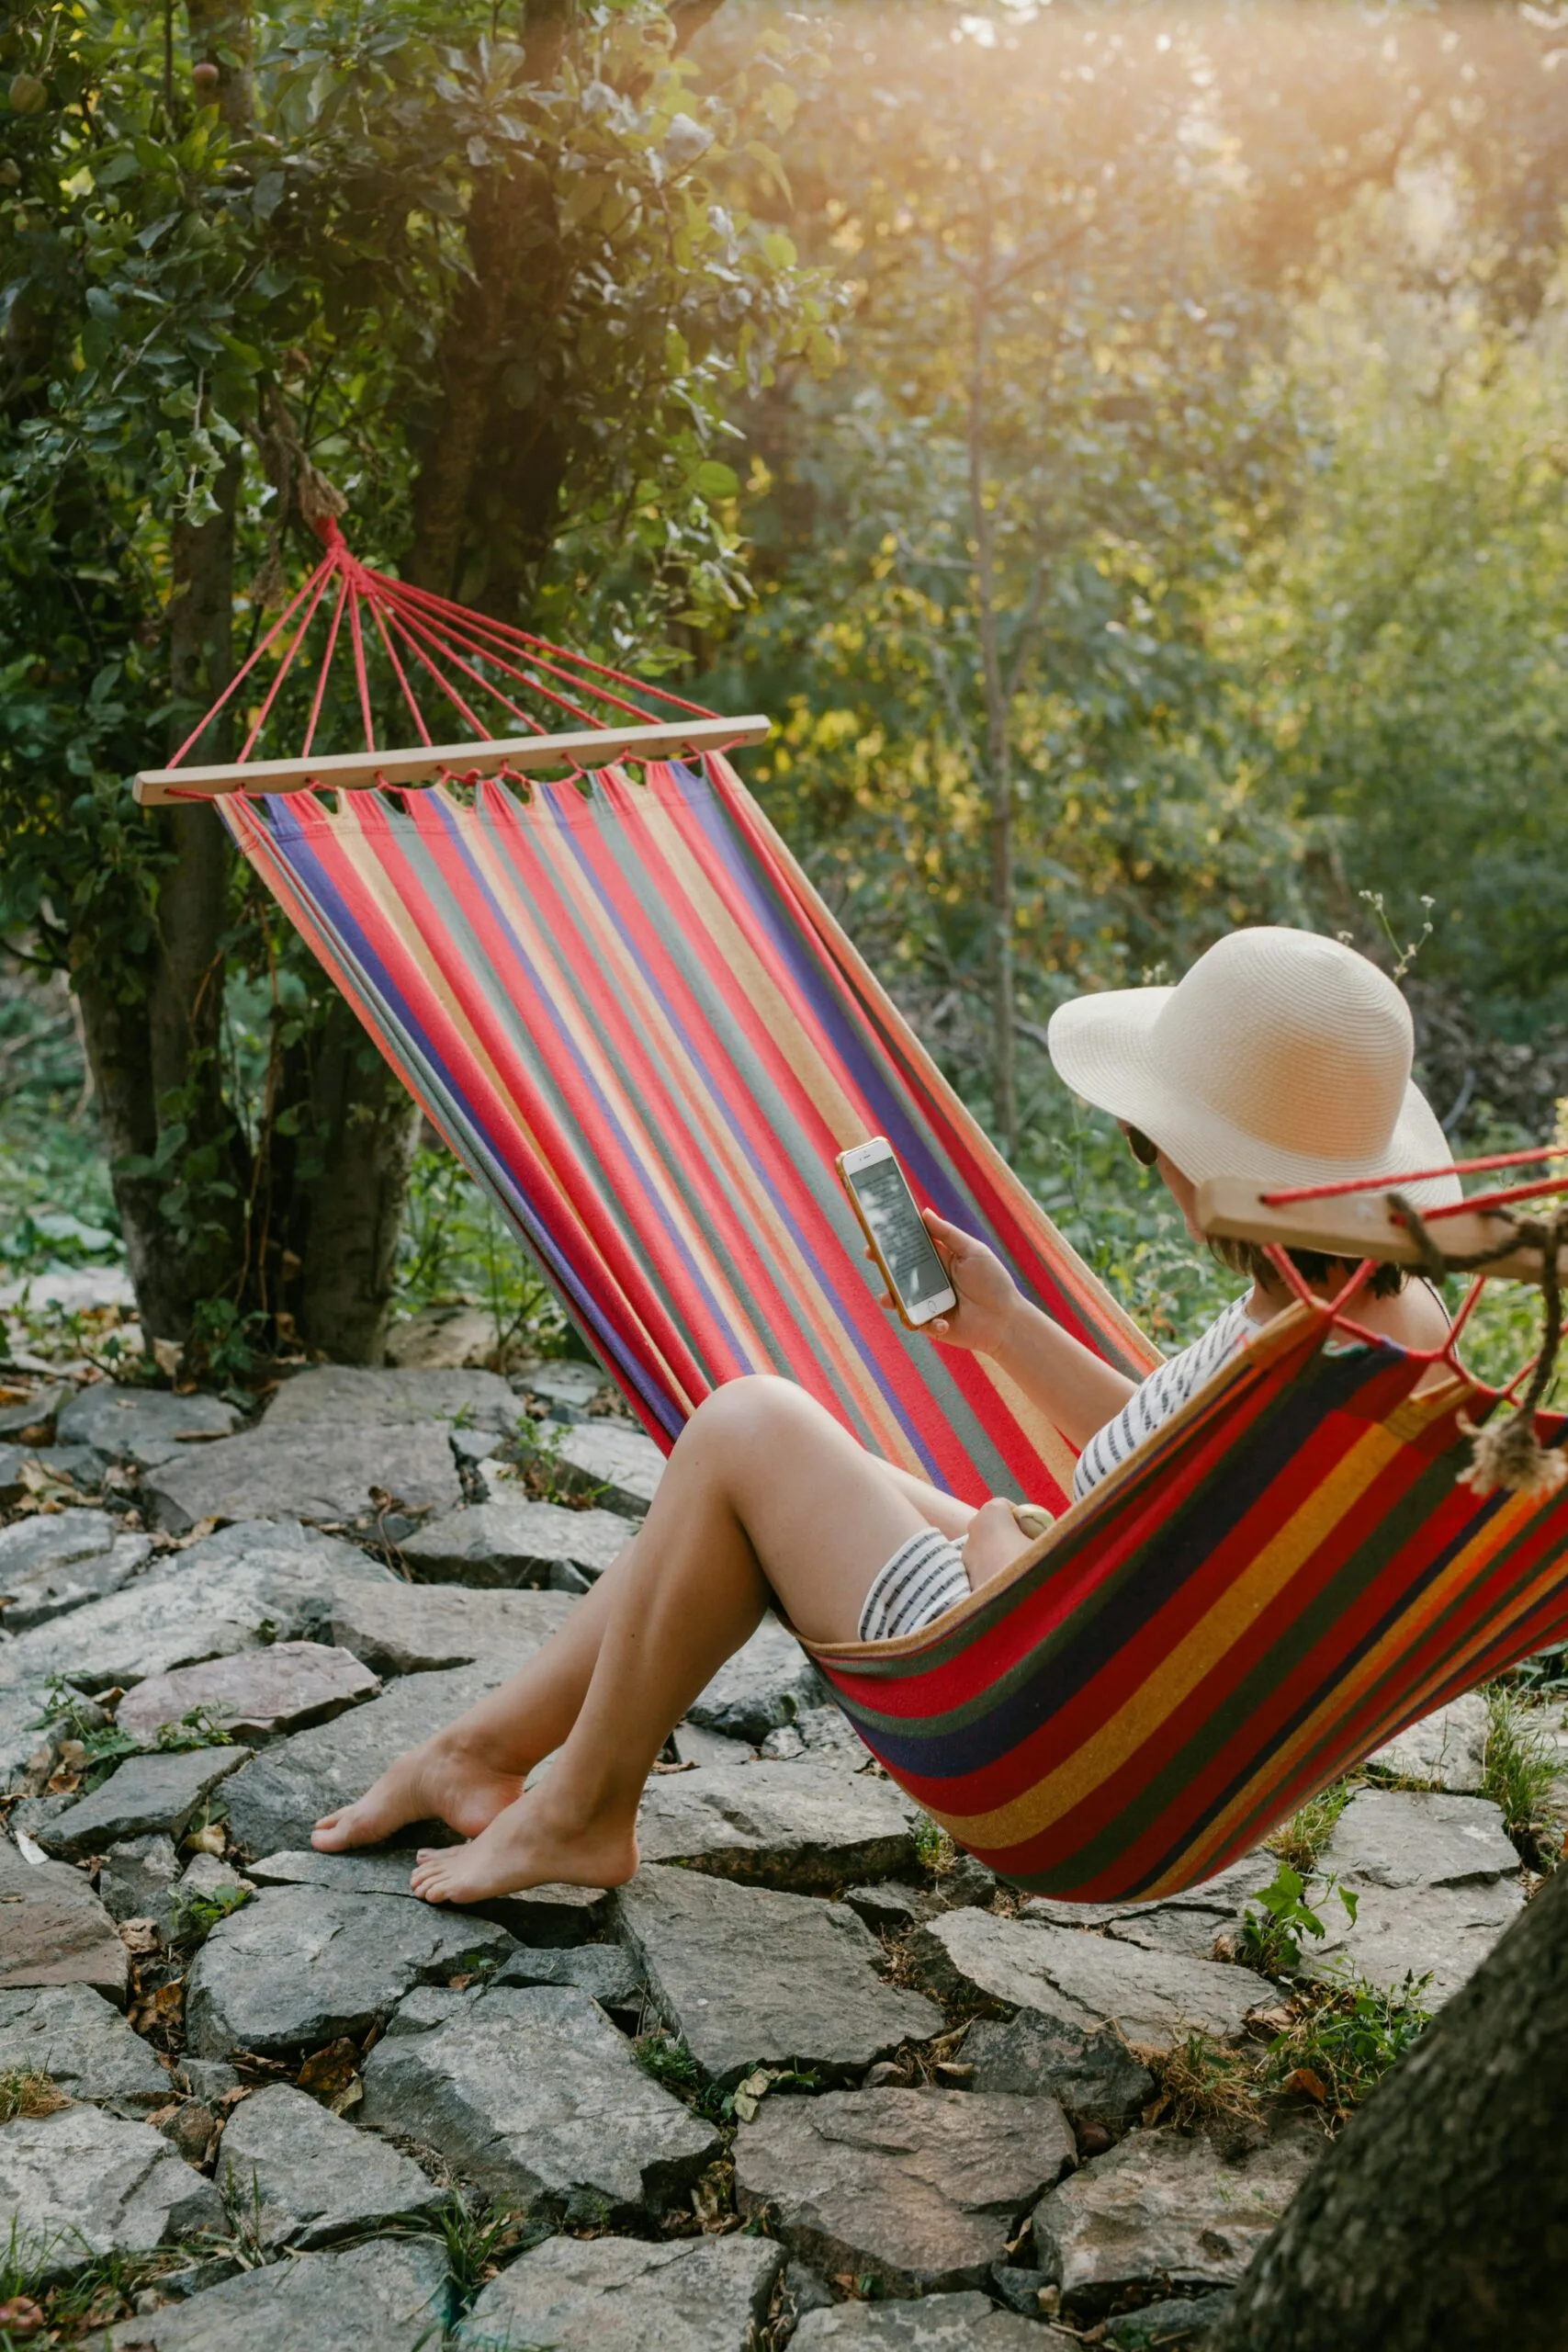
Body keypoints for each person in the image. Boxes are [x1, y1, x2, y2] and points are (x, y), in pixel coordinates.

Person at [310, 926, 1458, 1905]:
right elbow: (1169, 1487)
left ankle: (578, 1806)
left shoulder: (1307, 1359)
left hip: (1042, 1731)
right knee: (779, 1468)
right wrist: (1007, 1327)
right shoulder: (1363, 1318)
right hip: (1125, 1710)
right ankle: (477, 1754)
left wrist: (996, 1544)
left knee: (747, 1427)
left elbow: (1156, 1568)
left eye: (1157, 1139)